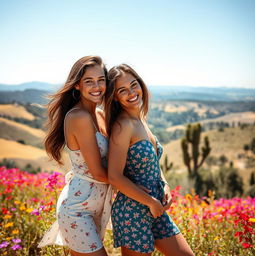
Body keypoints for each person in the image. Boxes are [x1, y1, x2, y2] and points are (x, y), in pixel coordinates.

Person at [105, 64, 195, 256]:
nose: (131, 92)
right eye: (122, 90)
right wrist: (151, 202)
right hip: (133, 212)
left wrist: (165, 184)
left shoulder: (140, 119)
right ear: (114, 96)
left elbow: (153, 161)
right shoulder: (123, 125)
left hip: (155, 208)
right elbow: (114, 176)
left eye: (134, 84)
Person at [38, 56, 112, 256]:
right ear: (77, 85)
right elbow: (97, 172)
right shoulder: (78, 117)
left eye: (101, 79)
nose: (97, 86)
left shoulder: (101, 115)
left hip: (96, 207)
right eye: (89, 81)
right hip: (77, 211)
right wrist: (135, 187)